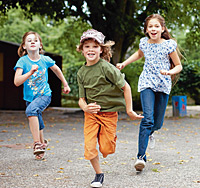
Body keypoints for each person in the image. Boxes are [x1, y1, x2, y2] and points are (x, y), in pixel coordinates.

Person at [76, 29, 144, 187]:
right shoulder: (81, 72)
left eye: (95, 46)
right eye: (87, 46)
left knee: (106, 149)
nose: (91, 49)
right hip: (91, 115)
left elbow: (125, 87)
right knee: (90, 146)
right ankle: (99, 174)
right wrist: (86, 108)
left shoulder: (106, 68)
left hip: (109, 114)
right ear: (82, 50)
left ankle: (109, 142)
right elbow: (81, 99)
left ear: (101, 49)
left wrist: (129, 111)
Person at [116, 14, 183, 172]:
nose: (153, 29)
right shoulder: (144, 43)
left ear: (162, 29)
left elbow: (178, 65)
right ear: (146, 30)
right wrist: (124, 63)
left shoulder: (169, 45)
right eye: (150, 26)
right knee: (147, 119)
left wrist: (169, 72)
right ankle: (141, 156)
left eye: (156, 26)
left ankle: (151, 133)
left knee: (157, 123)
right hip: (147, 83)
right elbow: (139, 54)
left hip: (163, 84)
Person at [14, 31, 71, 160]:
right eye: (29, 40)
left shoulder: (45, 60)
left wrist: (65, 84)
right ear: (24, 46)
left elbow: (56, 69)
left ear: (40, 45)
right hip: (30, 97)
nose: (32, 42)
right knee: (36, 117)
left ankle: (37, 144)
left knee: (31, 110)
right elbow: (17, 82)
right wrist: (30, 72)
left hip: (44, 94)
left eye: (35, 40)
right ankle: (41, 146)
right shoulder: (22, 61)